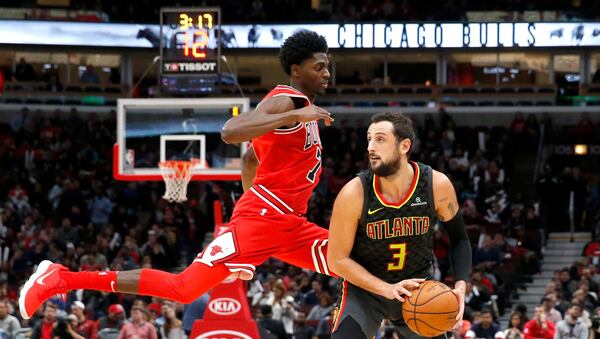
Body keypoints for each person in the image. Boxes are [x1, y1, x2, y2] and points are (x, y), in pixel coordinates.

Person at [19, 29, 335, 319]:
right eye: (318, 67)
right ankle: (61, 278)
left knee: (347, 260)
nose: (327, 73)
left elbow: (251, 159)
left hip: (288, 221)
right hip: (265, 218)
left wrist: (248, 218)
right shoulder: (287, 101)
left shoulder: (302, 109)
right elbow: (230, 130)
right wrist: (252, 220)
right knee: (184, 288)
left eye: (327, 66)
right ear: (296, 69)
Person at [327, 112, 472, 339]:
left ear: (404, 145)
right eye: (369, 139)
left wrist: (460, 287)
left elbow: (460, 239)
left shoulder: (436, 185)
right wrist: (386, 289)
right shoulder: (354, 193)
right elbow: (337, 260)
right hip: (365, 292)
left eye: (380, 139)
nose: (370, 147)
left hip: (417, 291)